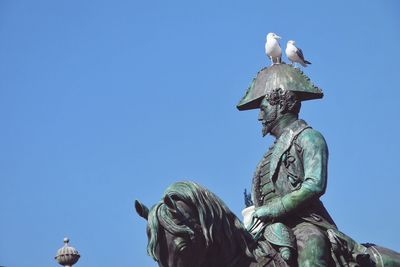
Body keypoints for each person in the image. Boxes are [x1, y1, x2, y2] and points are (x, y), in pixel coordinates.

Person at [237, 64, 336, 266]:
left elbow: (315, 184)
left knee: (312, 247)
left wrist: (276, 208)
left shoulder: (309, 137)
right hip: (269, 227)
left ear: (281, 105)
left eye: (263, 109)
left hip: (305, 222)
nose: (259, 116)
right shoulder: (268, 154)